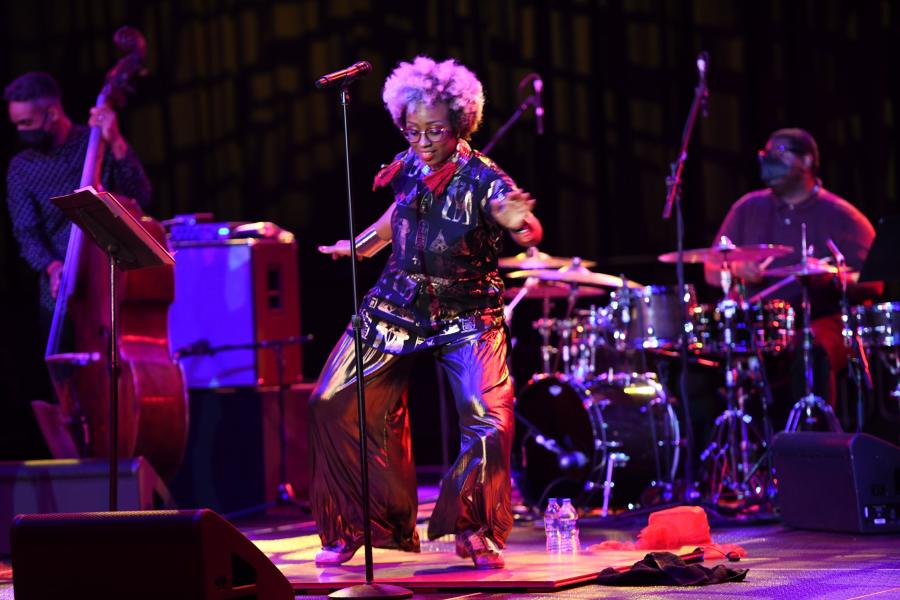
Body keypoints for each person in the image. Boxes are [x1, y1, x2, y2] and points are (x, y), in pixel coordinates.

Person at [310, 56, 543, 569]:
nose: (422, 141)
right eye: (412, 130)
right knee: (331, 400)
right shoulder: (409, 163)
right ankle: (360, 523)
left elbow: (518, 219)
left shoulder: (484, 177)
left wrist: (521, 224)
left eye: (434, 130)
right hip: (396, 303)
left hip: (468, 310)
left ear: (460, 124)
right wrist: (360, 247)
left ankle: (475, 527)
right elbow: (400, 215)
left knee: (489, 417)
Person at [704, 128, 882, 422]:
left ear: (808, 161)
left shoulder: (842, 216)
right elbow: (710, 270)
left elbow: (874, 282)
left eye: (781, 154)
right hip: (758, 324)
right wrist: (737, 270)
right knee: (697, 363)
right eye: (767, 155)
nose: (770, 162)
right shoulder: (748, 208)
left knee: (813, 348)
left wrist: (830, 276)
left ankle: (815, 443)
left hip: (824, 321)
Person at [4, 71, 152, 329]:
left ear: (51, 114)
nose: (20, 131)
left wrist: (115, 140)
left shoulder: (95, 142)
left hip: (112, 285)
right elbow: (26, 233)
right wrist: (51, 267)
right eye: (16, 124)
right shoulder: (21, 167)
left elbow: (140, 196)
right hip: (61, 295)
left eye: (26, 123)